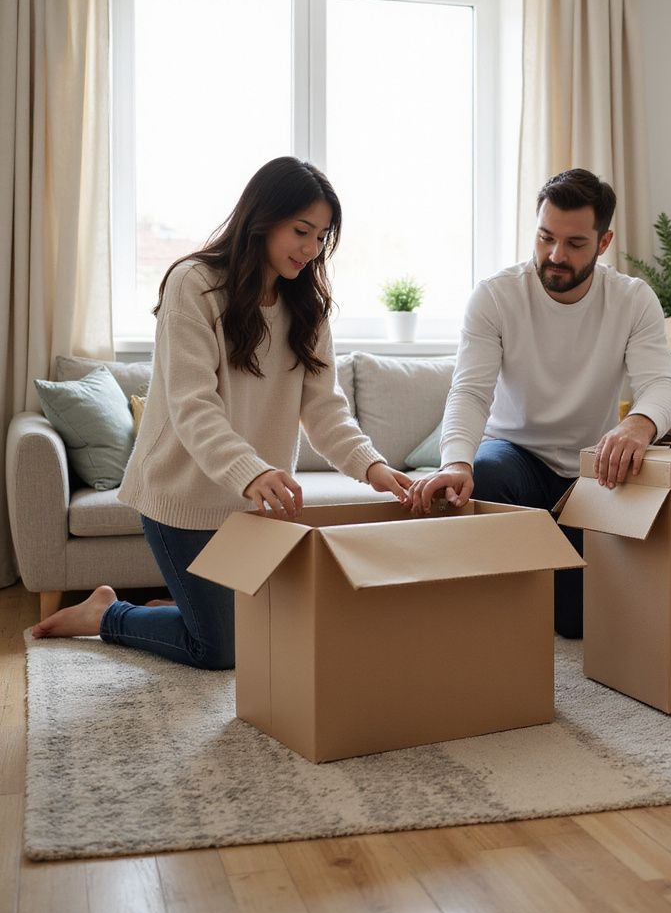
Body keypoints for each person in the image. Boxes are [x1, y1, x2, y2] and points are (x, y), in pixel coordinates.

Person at [31, 156, 411, 667]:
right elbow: (193, 407)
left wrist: (374, 467)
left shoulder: (308, 307)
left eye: (321, 237)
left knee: (275, 630)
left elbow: (325, 409)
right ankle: (105, 615)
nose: (311, 248)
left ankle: (189, 607)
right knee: (220, 649)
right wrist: (252, 471)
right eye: (301, 230)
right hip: (180, 496)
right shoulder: (195, 285)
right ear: (261, 220)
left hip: (256, 508)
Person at [408, 168, 671, 638]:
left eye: (575, 243)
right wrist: (456, 461)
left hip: (589, 475)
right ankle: (504, 610)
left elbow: (662, 387)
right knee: (485, 471)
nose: (555, 256)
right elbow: (470, 392)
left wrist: (637, 424)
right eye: (545, 237)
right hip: (514, 457)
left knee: (575, 624)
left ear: (603, 241)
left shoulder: (633, 300)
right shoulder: (496, 296)